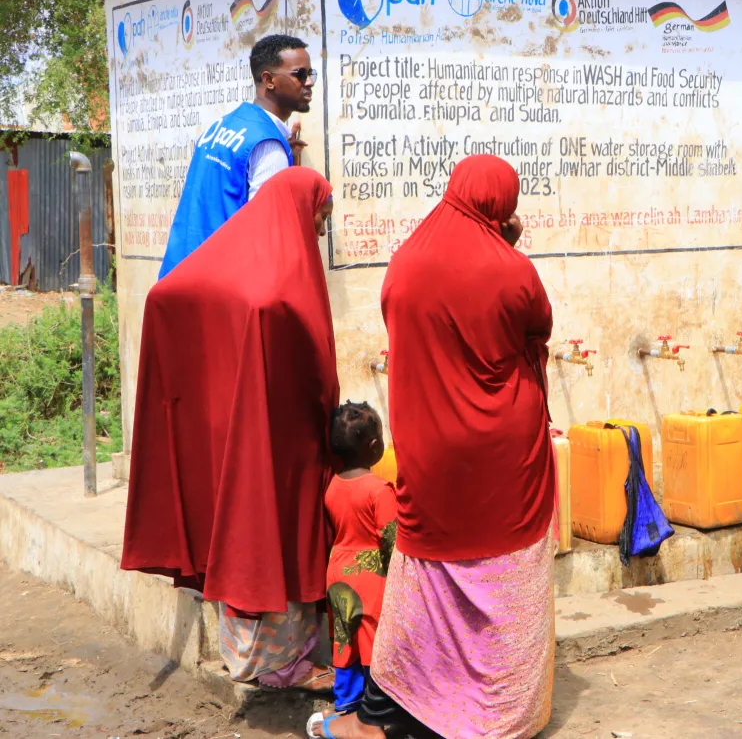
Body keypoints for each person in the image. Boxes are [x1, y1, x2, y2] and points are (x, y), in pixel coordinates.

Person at [311, 155, 554, 739]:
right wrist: (507, 248)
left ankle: (381, 717)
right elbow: (536, 327)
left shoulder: (406, 263)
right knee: (505, 576)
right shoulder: (513, 271)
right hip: (506, 457)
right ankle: (498, 716)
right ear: (499, 205)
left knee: (423, 581)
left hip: (432, 453)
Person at [121, 166, 338, 690]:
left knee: (242, 528)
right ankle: (279, 663)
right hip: (279, 438)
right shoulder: (283, 277)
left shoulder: (236, 253)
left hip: (235, 428)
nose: (321, 229)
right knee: (272, 534)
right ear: (301, 211)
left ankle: (248, 657)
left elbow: (168, 293)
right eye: (321, 217)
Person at [159, 34, 313, 277]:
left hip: (180, 271)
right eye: (300, 74)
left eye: (310, 74)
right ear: (268, 80)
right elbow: (265, 234)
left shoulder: (223, 125)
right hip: (220, 280)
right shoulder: (268, 145)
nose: (309, 82)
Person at [325, 402, 396, 713]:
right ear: (374, 445)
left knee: (345, 637)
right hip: (371, 576)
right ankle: (374, 706)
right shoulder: (380, 490)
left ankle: (345, 701)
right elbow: (391, 540)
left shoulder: (333, 485)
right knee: (372, 638)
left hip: (338, 569)